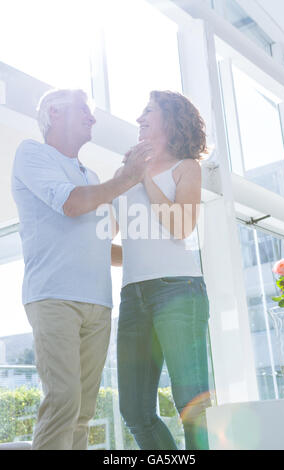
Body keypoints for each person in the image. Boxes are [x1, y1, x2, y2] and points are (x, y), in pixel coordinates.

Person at [11, 88, 151, 450]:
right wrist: (126, 178)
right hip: (54, 296)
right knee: (63, 402)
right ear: (55, 113)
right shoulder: (32, 154)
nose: (92, 118)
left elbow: (102, 240)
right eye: (84, 111)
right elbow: (71, 205)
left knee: (84, 411)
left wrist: (153, 257)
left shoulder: (90, 175)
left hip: (99, 303)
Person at [113, 90, 211, 450]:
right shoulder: (124, 174)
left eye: (148, 110)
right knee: (135, 411)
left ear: (171, 119)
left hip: (178, 290)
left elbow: (181, 226)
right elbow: (109, 242)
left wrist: (145, 178)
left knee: (192, 407)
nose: (139, 118)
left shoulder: (187, 167)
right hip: (133, 297)